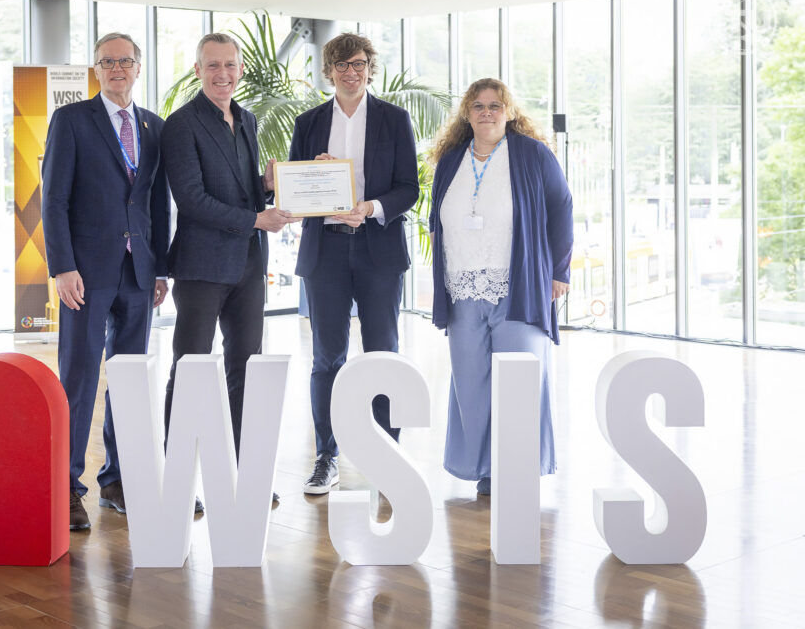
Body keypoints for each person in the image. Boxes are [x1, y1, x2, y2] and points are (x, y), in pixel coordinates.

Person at [42, 32, 170, 530]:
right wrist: (62, 266)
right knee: (77, 379)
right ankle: (67, 487)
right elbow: (53, 200)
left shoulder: (153, 127)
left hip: (139, 273)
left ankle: (118, 480)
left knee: (129, 380)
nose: (116, 68)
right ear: (96, 70)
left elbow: (157, 203)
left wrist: (159, 267)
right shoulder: (71, 121)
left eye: (125, 60)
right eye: (106, 61)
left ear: (139, 67)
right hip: (86, 273)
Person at [161, 33, 294, 504]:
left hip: (248, 265)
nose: (223, 74)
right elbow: (192, 202)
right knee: (191, 366)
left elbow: (244, 194)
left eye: (230, 65)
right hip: (201, 266)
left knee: (247, 367)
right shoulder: (180, 125)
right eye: (213, 65)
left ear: (239, 69)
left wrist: (269, 186)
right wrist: (257, 217)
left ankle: (245, 474)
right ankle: (175, 480)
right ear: (198, 70)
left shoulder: (248, 119)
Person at [427, 77, 573, 496]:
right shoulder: (453, 159)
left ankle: (519, 468)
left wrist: (558, 271)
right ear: (466, 115)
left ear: (509, 111)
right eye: (477, 106)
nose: (486, 112)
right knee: (470, 385)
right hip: (462, 289)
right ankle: (485, 471)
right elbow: (437, 218)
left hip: (519, 286)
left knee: (521, 380)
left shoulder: (533, 155)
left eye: (495, 105)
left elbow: (560, 208)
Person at [289, 33, 419, 494]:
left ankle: (389, 455)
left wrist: (369, 207)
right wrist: (314, 172)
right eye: (341, 64)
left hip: (377, 248)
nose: (351, 71)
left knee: (383, 352)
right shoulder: (308, 123)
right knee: (326, 357)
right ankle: (327, 456)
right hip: (324, 251)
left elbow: (409, 187)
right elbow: (293, 192)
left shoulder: (394, 119)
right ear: (329, 71)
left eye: (358, 63)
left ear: (369, 68)